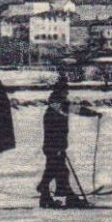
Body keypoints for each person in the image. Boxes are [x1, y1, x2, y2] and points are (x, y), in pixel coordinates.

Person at [37, 66, 87, 208]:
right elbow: (53, 133)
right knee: (57, 171)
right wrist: (58, 148)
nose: (67, 94)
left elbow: (77, 109)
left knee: (60, 172)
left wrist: (94, 114)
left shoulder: (59, 107)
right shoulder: (53, 112)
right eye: (65, 92)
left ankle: (52, 196)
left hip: (56, 146)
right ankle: (46, 189)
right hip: (53, 147)